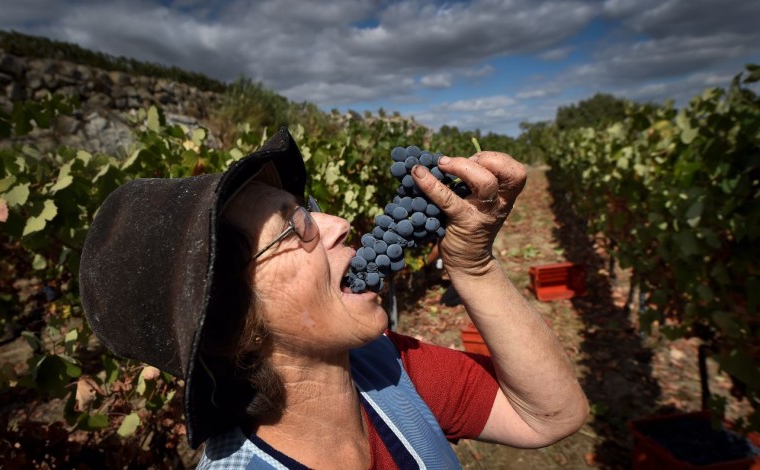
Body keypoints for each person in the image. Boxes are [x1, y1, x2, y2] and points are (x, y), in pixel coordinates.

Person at [80, 128, 588, 469]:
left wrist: (473, 265)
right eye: (294, 227)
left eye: (310, 209)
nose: (341, 225)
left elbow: (549, 417)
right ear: (234, 326)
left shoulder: (382, 368)